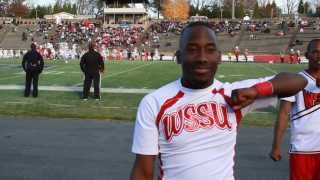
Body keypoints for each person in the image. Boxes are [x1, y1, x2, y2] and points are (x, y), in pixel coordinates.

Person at [130, 22, 307, 180]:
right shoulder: (154, 102)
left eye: (210, 49)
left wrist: (256, 91)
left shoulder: (235, 94)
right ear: (179, 56)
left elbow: (298, 81)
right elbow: (142, 171)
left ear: (219, 57)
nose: (202, 58)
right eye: (192, 49)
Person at [270, 39, 320, 180]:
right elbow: (283, 114)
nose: (319, 56)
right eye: (315, 52)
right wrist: (276, 146)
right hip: (303, 149)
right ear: (306, 55)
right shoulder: (295, 81)